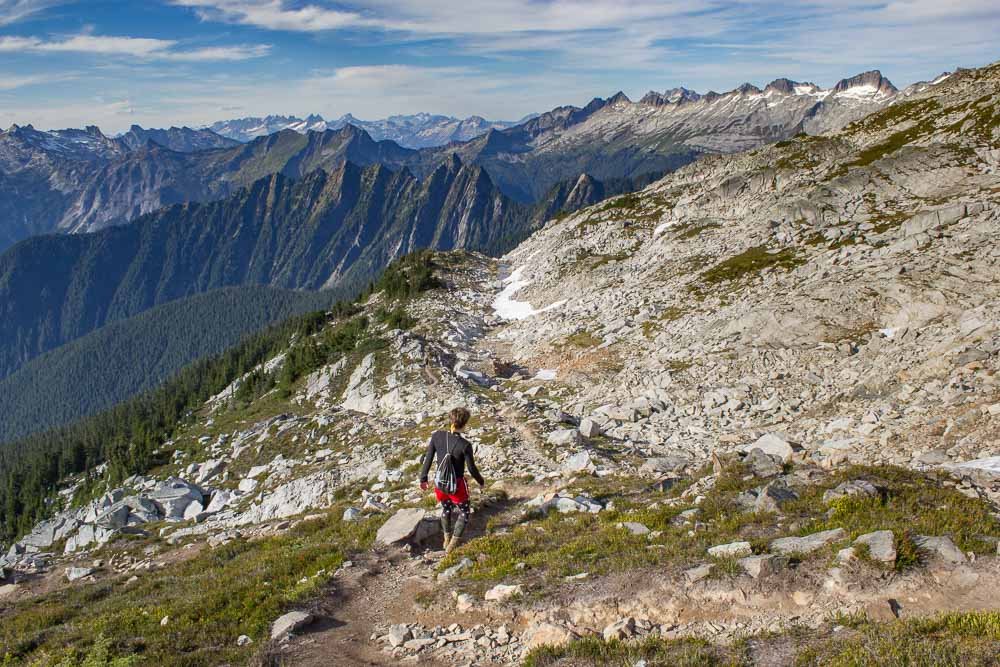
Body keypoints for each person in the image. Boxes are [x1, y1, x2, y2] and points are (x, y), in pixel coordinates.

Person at [419, 407, 485, 554]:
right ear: (465, 424)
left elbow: (428, 459)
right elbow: (472, 469)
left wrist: (423, 479)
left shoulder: (437, 436)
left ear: (450, 420)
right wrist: (481, 481)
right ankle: (452, 546)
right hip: (457, 486)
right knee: (464, 512)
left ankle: (446, 538)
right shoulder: (465, 445)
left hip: (440, 484)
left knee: (446, 508)